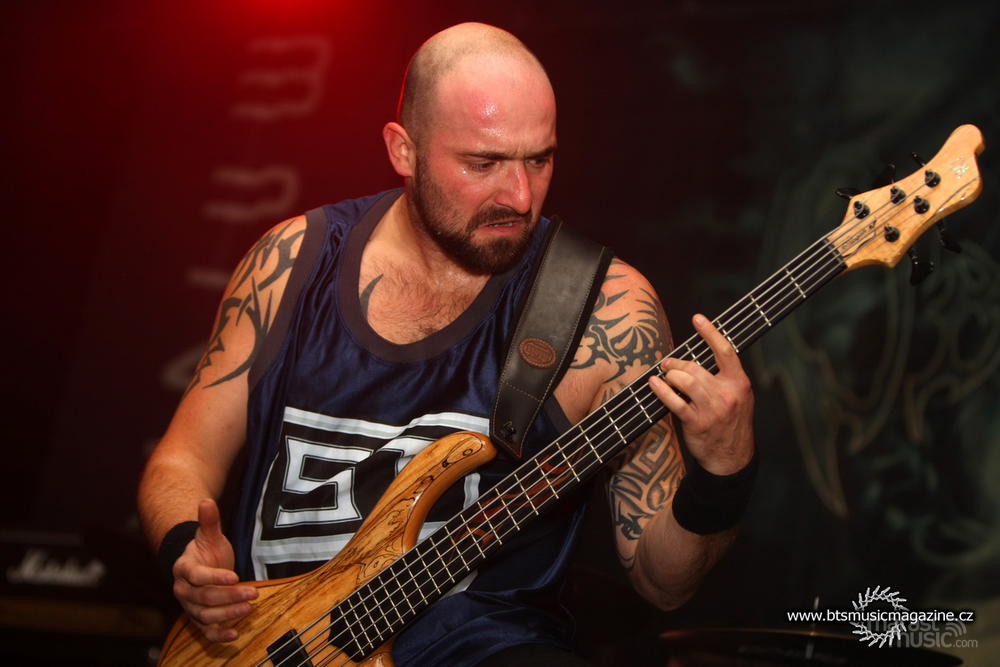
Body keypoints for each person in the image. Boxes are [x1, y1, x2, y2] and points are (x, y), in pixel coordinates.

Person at [138, 22, 756, 666]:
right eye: (483, 164)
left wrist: (726, 472)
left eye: (539, 160)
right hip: (270, 648)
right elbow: (181, 460)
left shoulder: (606, 310)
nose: (520, 196)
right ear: (403, 150)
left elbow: (664, 583)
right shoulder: (292, 262)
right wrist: (186, 551)